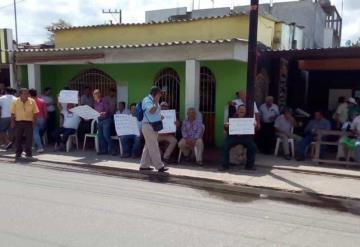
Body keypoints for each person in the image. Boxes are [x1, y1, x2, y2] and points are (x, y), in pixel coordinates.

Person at [219, 105, 257, 171]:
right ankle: (224, 165)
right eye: (240, 109)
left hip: (245, 137)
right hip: (233, 137)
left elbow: (253, 129)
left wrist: (254, 125)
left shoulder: (249, 119)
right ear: (237, 111)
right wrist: (226, 126)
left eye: (243, 109)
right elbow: (225, 128)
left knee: (253, 146)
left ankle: (250, 166)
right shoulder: (232, 118)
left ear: (245, 111)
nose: (242, 110)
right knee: (224, 146)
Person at [140, 86, 168, 172]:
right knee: (154, 146)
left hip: (153, 126)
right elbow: (151, 110)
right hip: (148, 126)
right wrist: (156, 101)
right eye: (159, 94)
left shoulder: (154, 101)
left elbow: (154, 113)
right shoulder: (147, 100)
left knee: (148, 146)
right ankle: (159, 166)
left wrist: (159, 116)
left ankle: (144, 165)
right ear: (155, 94)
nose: (160, 96)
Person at [11, 88, 39, 161]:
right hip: (18, 122)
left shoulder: (32, 101)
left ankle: (28, 153)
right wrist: (12, 122)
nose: (26, 95)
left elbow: (35, 113)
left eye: (27, 93)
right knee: (18, 138)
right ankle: (18, 153)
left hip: (29, 122)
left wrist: (34, 123)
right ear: (20, 94)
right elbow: (12, 113)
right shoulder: (15, 101)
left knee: (29, 138)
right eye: (24, 93)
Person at [93, 89, 116, 155]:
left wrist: (104, 113)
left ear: (99, 94)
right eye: (94, 94)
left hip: (106, 120)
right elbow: (95, 111)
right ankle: (104, 150)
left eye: (96, 93)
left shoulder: (104, 101)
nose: (95, 95)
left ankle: (113, 150)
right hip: (99, 120)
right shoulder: (95, 103)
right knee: (100, 136)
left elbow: (107, 110)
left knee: (106, 136)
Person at [29, 89, 47, 153]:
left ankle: (40, 147)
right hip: (42, 118)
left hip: (34, 118)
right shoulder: (42, 100)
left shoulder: (30, 101)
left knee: (35, 133)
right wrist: (45, 119)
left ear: (30, 94)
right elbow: (45, 111)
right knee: (38, 133)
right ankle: (34, 145)